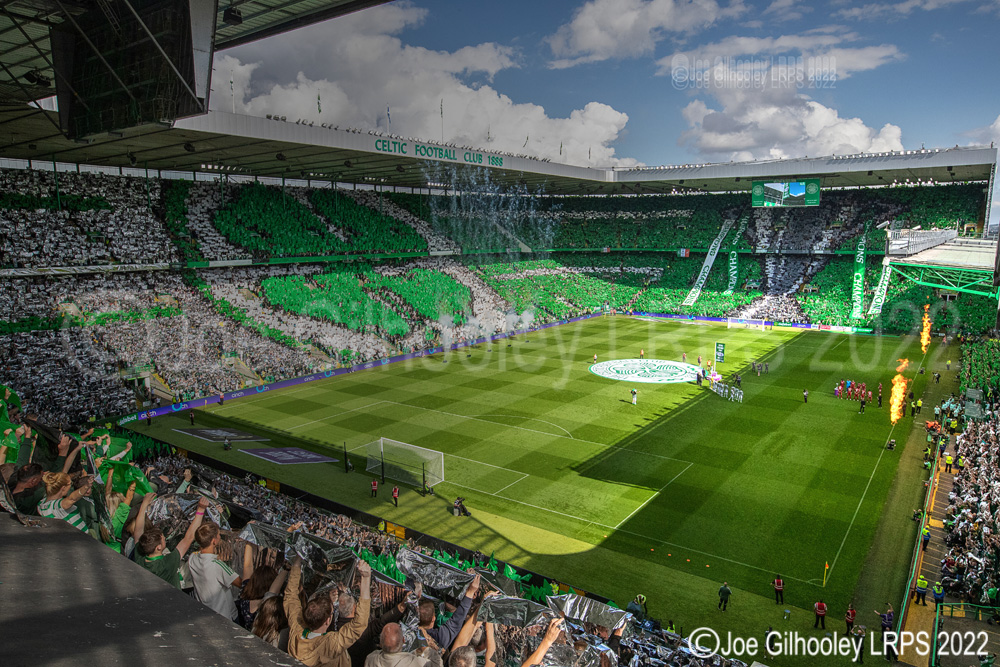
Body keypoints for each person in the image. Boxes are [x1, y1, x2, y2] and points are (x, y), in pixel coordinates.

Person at [286, 557, 372, 667]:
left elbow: (290, 598)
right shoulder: (329, 645)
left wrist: (296, 563)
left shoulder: (296, 630)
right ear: (328, 620)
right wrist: (366, 578)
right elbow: (359, 624)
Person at [138, 495, 210, 588]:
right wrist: (200, 510)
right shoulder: (168, 562)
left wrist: (144, 504)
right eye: (163, 539)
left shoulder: (140, 558)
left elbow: (138, 532)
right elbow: (188, 538)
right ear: (158, 547)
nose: (165, 539)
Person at [189, 521, 244, 621]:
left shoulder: (192, 558)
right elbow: (241, 583)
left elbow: (201, 554)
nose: (220, 536)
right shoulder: (217, 566)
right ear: (214, 541)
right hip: (225, 616)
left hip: (205, 613)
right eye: (219, 534)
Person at [418, 573, 480, 648]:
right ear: (433, 618)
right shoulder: (440, 638)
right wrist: (470, 592)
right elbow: (455, 622)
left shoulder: (408, 627)